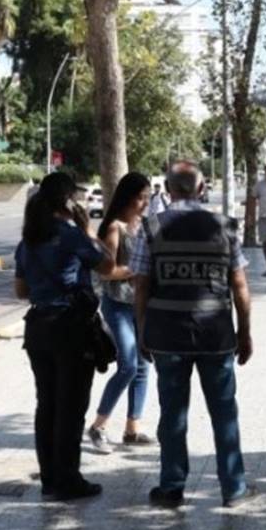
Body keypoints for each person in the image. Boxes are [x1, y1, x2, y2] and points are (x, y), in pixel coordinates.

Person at [133, 160, 259, 509]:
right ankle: (233, 488)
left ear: (167, 189)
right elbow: (239, 285)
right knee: (224, 412)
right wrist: (244, 331)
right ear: (202, 189)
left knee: (173, 414)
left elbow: (141, 285)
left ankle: (171, 487)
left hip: (167, 335)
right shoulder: (224, 226)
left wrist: (142, 330)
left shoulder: (151, 227)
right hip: (215, 335)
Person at [14, 172, 115, 501]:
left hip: (38, 328)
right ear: (68, 202)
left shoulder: (28, 240)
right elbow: (108, 266)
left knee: (47, 405)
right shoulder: (72, 236)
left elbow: (21, 290)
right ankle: (69, 480)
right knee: (71, 407)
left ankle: (50, 479)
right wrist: (88, 232)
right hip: (70, 328)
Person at [87, 172, 156, 454]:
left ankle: (132, 429)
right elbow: (106, 272)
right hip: (117, 305)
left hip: (141, 304)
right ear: (128, 198)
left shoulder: (146, 226)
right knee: (128, 364)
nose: (145, 203)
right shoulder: (115, 228)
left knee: (143, 365)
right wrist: (134, 270)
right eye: (141, 198)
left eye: (148, 198)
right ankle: (98, 426)